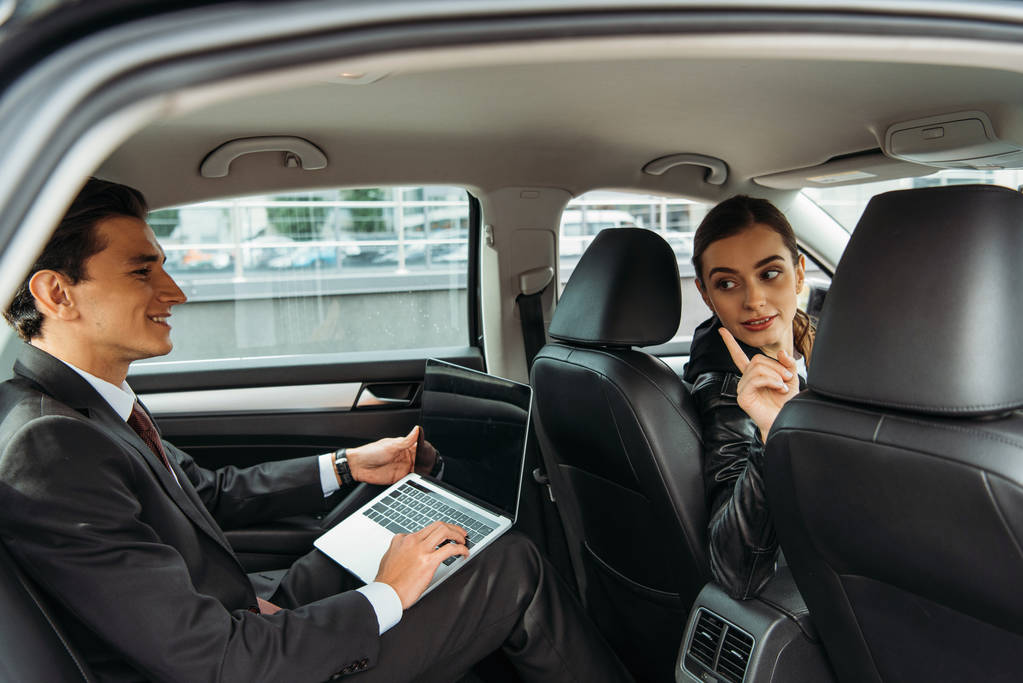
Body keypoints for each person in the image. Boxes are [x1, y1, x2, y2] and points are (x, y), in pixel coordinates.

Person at [0, 178, 631, 683]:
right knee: (508, 564)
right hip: (240, 659)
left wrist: (349, 466)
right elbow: (217, 662)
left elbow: (205, 492)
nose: (176, 291)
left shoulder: (85, 407)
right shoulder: (52, 447)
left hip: (237, 615)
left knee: (401, 519)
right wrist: (388, 592)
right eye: (143, 272)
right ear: (58, 293)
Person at [682, 195, 814, 600]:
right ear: (706, 295)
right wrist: (769, 433)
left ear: (799, 273)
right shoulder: (726, 394)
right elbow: (735, 571)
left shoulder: (817, 340)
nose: (753, 300)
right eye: (727, 283)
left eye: (770, 273)